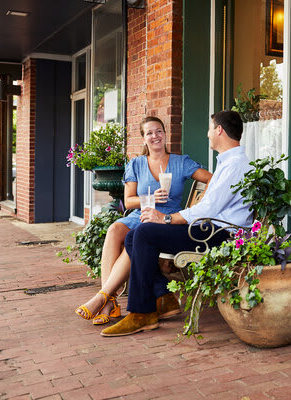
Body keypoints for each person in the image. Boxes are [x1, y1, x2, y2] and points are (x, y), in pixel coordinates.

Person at [101, 110, 253, 337]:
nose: (208, 133)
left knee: (144, 234)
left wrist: (167, 218)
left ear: (219, 130)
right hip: (208, 227)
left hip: (218, 233)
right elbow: (211, 204)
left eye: (211, 128)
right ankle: (162, 296)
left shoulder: (234, 165)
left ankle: (141, 313)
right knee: (136, 235)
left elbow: (209, 209)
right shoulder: (227, 162)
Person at [75, 116, 212, 325]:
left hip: (164, 220)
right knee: (114, 230)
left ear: (165, 134)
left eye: (158, 131)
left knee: (136, 238)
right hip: (140, 214)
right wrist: (150, 199)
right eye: (149, 133)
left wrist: (198, 207)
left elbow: (213, 180)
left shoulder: (181, 162)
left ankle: (104, 301)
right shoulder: (136, 164)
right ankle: (109, 302)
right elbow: (129, 201)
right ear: (143, 139)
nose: (155, 136)